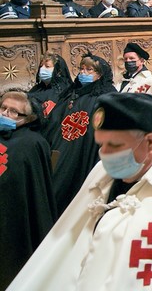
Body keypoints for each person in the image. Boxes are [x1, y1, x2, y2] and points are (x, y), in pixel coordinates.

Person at [9, 93, 152, 290]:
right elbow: (67, 249)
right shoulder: (102, 172)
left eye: (114, 145)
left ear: (149, 142)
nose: (104, 154)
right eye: (100, 145)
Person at [43, 52, 117, 214]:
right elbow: (55, 118)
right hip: (61, 146)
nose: (83, 73)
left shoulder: (107, 97)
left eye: (89, 70)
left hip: (85, 150)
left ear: (100, 74)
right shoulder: (72, 92)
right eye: (82, 69)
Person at [0, 92, 56, 289]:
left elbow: (35, 189)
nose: (5, 114)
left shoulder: (33, 143)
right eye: (3, 108)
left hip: (16, 215)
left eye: (14, 112)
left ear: (29, 118)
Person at [28, 52, 73, 118]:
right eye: (41, 66)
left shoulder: (65, 90)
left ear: (58, 71)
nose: (42, 69)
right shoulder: (37, 88)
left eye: (47, 66)